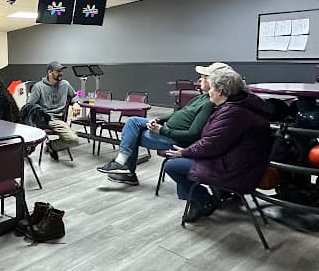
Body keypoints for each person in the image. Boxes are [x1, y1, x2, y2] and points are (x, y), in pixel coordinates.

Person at [163, 67, 273, 222]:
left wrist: (185, 152)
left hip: (234, 171)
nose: (209, 92)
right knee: (180, 161)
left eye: (212, 88)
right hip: (241, 163)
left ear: (220, 91)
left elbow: (210, 144)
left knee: (171, 165)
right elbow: (215, 142)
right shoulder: (243, 103)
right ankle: (197, 200)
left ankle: (204, 200)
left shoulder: (232, 112)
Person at [97, 62, 230, 186]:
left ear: (215, 82)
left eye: (204, 77)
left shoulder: (209, 104)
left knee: (132, 134)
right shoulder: (202, 97)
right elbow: (178, 113)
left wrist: (161, 130)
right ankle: (125, 169)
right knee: (133, 122)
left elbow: (193, 135)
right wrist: (159, 120)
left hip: (173, 138)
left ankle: (125, 167)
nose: (200, 80)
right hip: (166, 128)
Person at [26, 61, 82, 160]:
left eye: (62, 71)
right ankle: (49, 146)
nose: (61, 73)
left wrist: (76, 103)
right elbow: (29, 106)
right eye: (58, 71)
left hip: (59, 120)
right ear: (50, 72)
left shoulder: (65, 84)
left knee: (74, 140)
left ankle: (51, 146)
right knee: (74, 139)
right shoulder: (39, 87)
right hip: (46, 119)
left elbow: (74, 95)